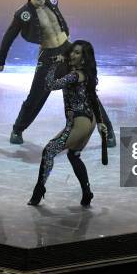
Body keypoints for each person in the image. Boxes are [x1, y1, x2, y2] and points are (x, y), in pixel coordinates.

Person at [0, 0, 116, 147]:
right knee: (36, 96)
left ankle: (108, 131)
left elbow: (59, 22)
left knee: (87, 91)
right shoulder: (23, 14)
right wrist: (1, 59)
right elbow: (9, 36)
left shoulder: (52, 0)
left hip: (68, 51)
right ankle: (17, 129)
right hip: (49, 56)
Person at [27, 40, 108, 207]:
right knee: (73, 155)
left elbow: (49, 85)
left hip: (79, 122)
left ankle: (38, 191)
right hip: (89, 121)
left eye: (77, 53)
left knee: (49, 151)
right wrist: (100, 122)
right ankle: (87, 193)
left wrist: (53, 66)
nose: (72, 54)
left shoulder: (74, 76)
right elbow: (93, 97)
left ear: (84, 58)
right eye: (72, 51)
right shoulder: (85, 74)